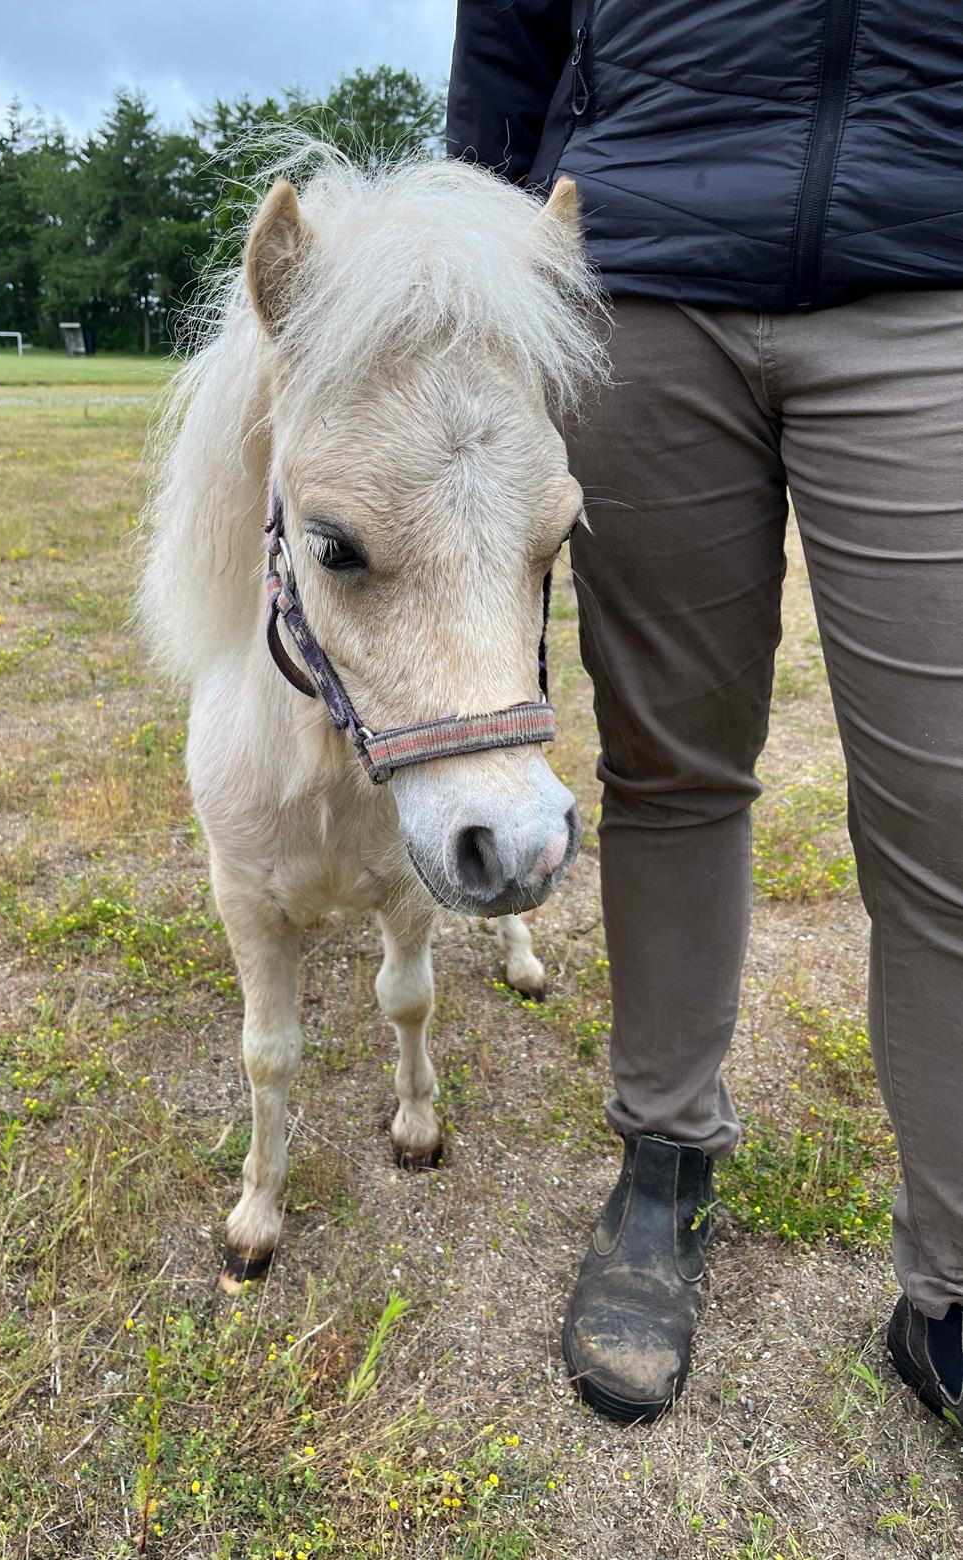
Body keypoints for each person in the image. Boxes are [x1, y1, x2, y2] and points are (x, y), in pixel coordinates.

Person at [447, 0, 963, 1424]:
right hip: (637, 279)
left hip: (934, 267)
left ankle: (953, 1278)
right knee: (666, 769)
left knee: (949, 813)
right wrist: (477, 278)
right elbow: (508, 39)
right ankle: (662, 1163)